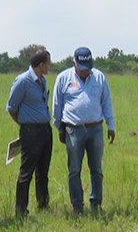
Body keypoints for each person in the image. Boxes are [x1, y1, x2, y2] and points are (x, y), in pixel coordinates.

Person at [53, 46, 115, 215]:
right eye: (81, 68)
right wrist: (60, 128)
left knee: (96, 168)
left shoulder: (99, 77)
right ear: (74, 63)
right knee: (74, 169)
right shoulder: (63, 78)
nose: (85, 71)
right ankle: (77, 206)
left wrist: (111, 125)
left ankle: (96, 203)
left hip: (96, 128)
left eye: (88, 68)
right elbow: (57, 105)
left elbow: (106, 102)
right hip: (73, 130)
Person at [7, 49, 53, 218]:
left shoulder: (42, 80)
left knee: (43, 170)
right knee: (27, 172)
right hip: (30, 131)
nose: (50, 66)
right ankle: (21, 210)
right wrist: (25, 124)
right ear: (41, 65)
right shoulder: (23, 81)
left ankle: (43, 203)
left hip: (45, 130)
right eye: (48, 63)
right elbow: (12, 108)